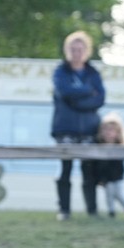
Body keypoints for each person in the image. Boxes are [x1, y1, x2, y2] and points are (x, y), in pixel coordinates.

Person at [50, 30, 106, 220]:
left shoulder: (93, 73)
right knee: (64, 170)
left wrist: (77, 98)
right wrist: (87, 93)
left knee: (89, 171)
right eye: (73, 49)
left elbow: (100, 98)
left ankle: (92, 210)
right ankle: (64, 210)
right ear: (67, 50)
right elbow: (64, 92)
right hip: (65, 129)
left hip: (89, 129)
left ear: (87, 51)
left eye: (80, 49)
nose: (76, 52)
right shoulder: (60, 72)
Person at [86, 113, 124, 219]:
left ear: (118, 132)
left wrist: (117, 176)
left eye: (111, 130)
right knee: (109, 194)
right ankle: (112, 211)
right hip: (106, 178)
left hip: (117, 177)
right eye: (106, 130)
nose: (108, 133)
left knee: (118, 194)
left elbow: (119, 166)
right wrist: (100, 178)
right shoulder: (99, 147)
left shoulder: (119, 147)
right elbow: (98, 166)